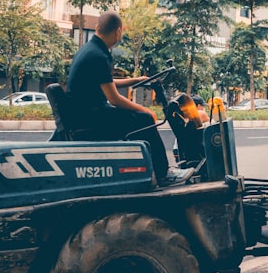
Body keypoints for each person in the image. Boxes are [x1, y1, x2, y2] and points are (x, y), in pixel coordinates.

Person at [66, 11, 193, 186]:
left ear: (97, 28)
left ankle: (152, 170)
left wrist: (137, 80)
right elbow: (114, 99)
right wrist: (145, 110)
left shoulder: (90, 50)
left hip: (83, 114)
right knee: (145, 119)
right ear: (118, 32)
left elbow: (107, 83)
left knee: (141, 118)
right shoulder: (99, 56)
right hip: (90, 117)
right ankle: (164, 173)